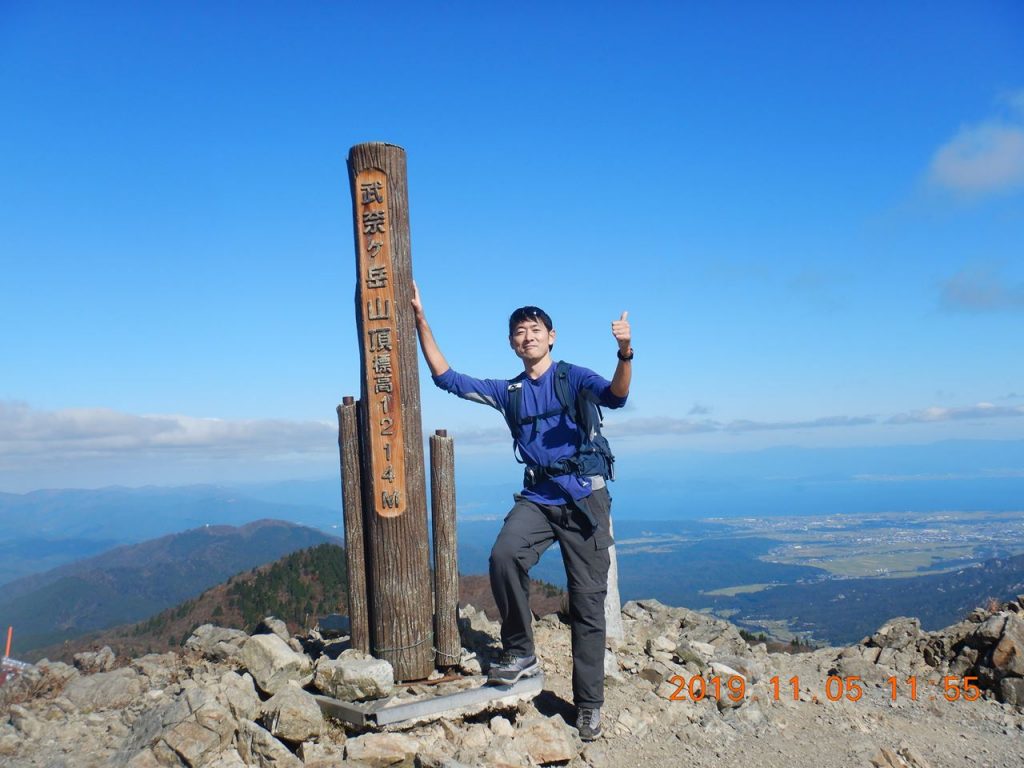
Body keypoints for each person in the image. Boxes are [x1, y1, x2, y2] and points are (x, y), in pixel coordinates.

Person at [411, 284, 632, 742]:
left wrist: (625, 352)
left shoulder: (573, 378)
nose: (527, 337)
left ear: (552, 336)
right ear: (512, 343)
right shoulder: (509, 391)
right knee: (504, 555)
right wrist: (420, 321)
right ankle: (520, 651)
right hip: (539, 496)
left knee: (587, 603)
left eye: (535, 330)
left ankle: (588, 705)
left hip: (584, 501)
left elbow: (615, 396)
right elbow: (447, 379)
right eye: (519, 332)